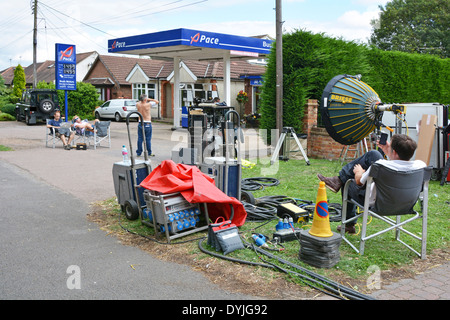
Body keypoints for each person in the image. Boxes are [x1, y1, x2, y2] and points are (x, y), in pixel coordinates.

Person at [317, 134, 426, 234]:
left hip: (377, 204)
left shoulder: (380, 165)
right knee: (374, 154)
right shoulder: (421, 166)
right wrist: (389, 152)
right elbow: (399, 164)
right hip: (404, 205)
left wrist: (359, 172)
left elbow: (359, 182)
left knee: (348, 183)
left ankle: (348, 224)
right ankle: (337, 181)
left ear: (395, 152)